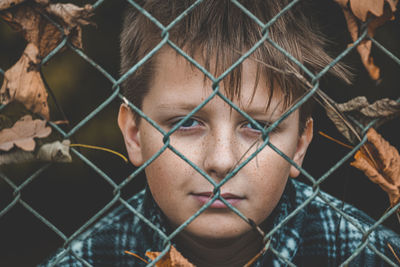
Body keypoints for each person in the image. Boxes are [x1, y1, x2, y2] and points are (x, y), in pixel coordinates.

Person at [41, 0, 400, 266]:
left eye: (257, 127)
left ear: (300, 144)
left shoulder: (371, 255)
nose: (222, 161)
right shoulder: (85, 260)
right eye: (186, 124)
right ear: (134, 135)